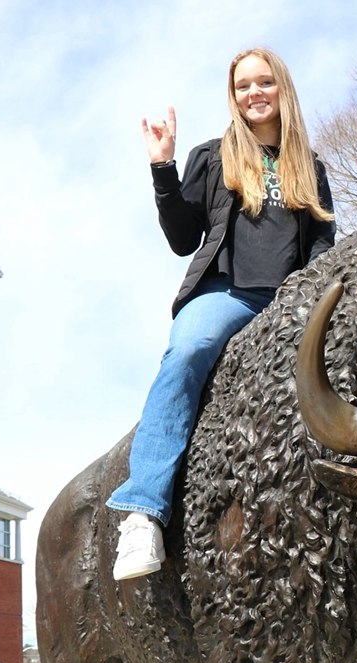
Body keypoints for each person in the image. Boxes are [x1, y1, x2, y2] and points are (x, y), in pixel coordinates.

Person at [107, 48, 336, 581]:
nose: (254, 93)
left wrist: (313, 295)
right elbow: (183, 237)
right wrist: (163, 167)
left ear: (282, 88)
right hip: (227, 293)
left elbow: (324, 241)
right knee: (186, 351)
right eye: (242, 87)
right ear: (233, 98)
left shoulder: (310, 167)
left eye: (264, 83)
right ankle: (142, 513)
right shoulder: (213, 157)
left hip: (291, 300)